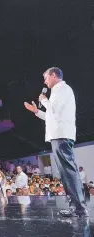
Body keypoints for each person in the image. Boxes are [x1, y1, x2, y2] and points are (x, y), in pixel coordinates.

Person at [24, 67, 87, 217]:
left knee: (68, 172)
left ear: (53, 75)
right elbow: (52, 116)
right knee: (66, 173)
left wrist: (44, 100)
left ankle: (79, 208)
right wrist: (36, 111)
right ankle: (76, 206)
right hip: (59, 135)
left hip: (61, 136)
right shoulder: (58, 91)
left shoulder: (62, 89)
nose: (45, 81)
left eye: (46, 78)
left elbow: (54, 110)